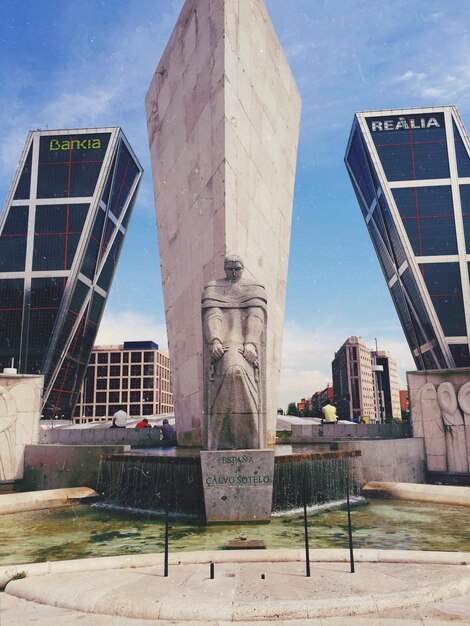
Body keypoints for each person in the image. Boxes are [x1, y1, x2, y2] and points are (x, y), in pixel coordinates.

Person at [202, 255, 267, 450]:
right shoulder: (213, 287)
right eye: (229, 269)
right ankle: (220, 440)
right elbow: (213, 315)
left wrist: (251, 343)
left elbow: (256, 316)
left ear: (243, 268)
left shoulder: (253, 287)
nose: (234, 272)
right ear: (224, 268)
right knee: (233, 371)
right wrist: (214, 340)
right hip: (225, 344)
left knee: (237, 371)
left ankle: (250, 439)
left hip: (245, 345)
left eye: (237, 268)